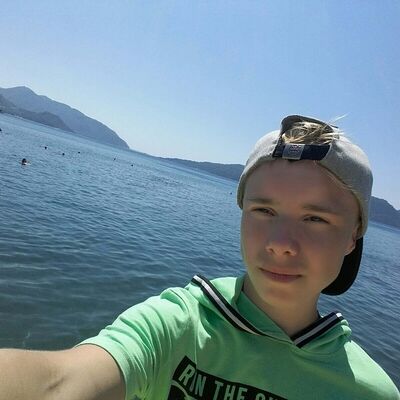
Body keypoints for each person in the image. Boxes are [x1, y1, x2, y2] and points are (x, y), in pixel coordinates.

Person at [1, 115, 399, 400]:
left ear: (353, 237)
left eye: (315, 219)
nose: (281, 243)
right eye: (263, 210)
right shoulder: (179, 323)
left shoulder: (369, 391)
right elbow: (61, 382)